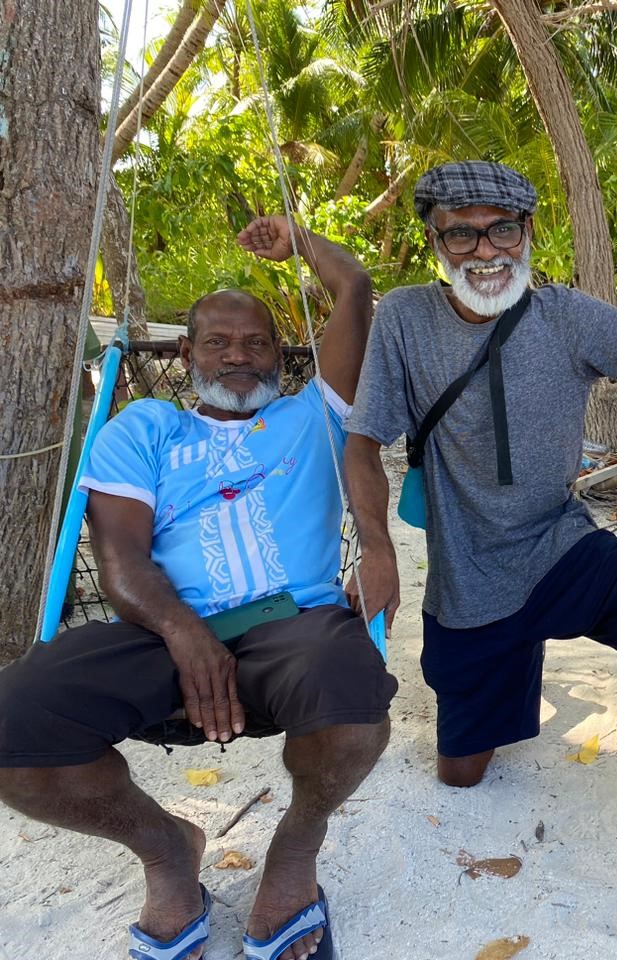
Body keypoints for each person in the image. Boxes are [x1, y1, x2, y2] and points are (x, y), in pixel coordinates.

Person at [344, 160, 617, 894]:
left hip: (555, 542)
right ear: (435, 241)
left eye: (502, 229)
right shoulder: (405, 319)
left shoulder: (566, 315)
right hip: (468, 575)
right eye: (462, 234)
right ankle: (512, 669)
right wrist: (377, 550)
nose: (486, 251)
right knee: (463, 777)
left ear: (527, 231)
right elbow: (363, 441)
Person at [0, 217, 396, 960]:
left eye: (256, 343)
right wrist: (187, 635)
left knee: (356, 704)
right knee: (13, 728)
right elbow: (121, 562)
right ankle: (165, 849)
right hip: (161, 631)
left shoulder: (313, 418)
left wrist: (301, 243)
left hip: (295, 627)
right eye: (217, 342)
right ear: (185, 354)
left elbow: (357, 289)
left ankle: (293, 854)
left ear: (281, 355)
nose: (238, 357)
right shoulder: (144, 428)